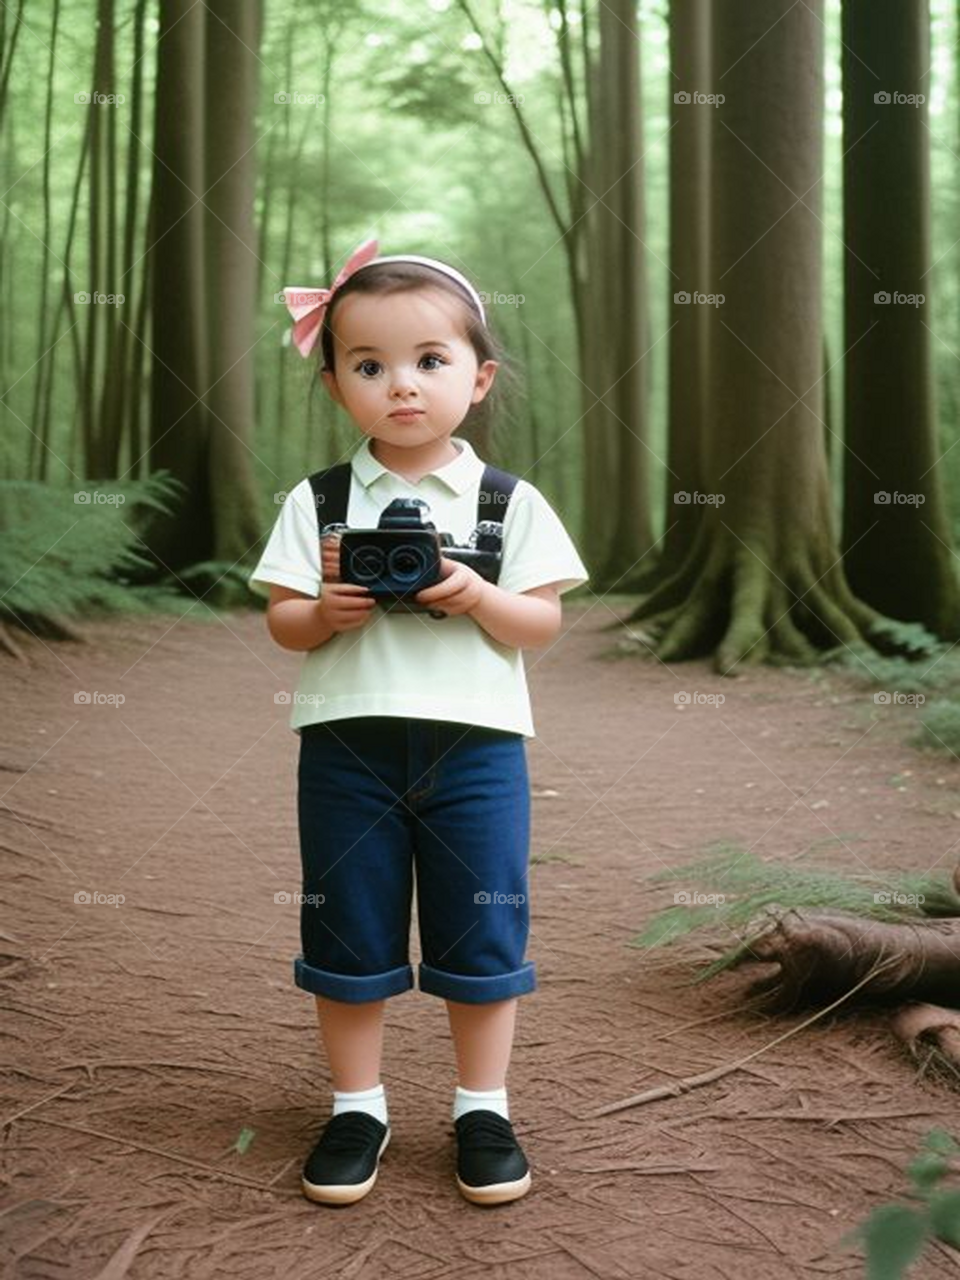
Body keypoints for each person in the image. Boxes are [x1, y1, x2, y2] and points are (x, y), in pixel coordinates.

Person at [248, 238, 589, 1208]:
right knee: (347, 925)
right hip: (346, 745)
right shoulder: (316, 500)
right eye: (370, 365)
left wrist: (477, 592)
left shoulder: (508, 503)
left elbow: (544, 620)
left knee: (484, 929)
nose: (402, 385)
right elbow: (280, 619)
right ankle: (358, 1104)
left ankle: (482, 1105)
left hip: (476, 748)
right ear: (334, 383)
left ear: (477, 379)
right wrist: (323, 612)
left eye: (430, 361)